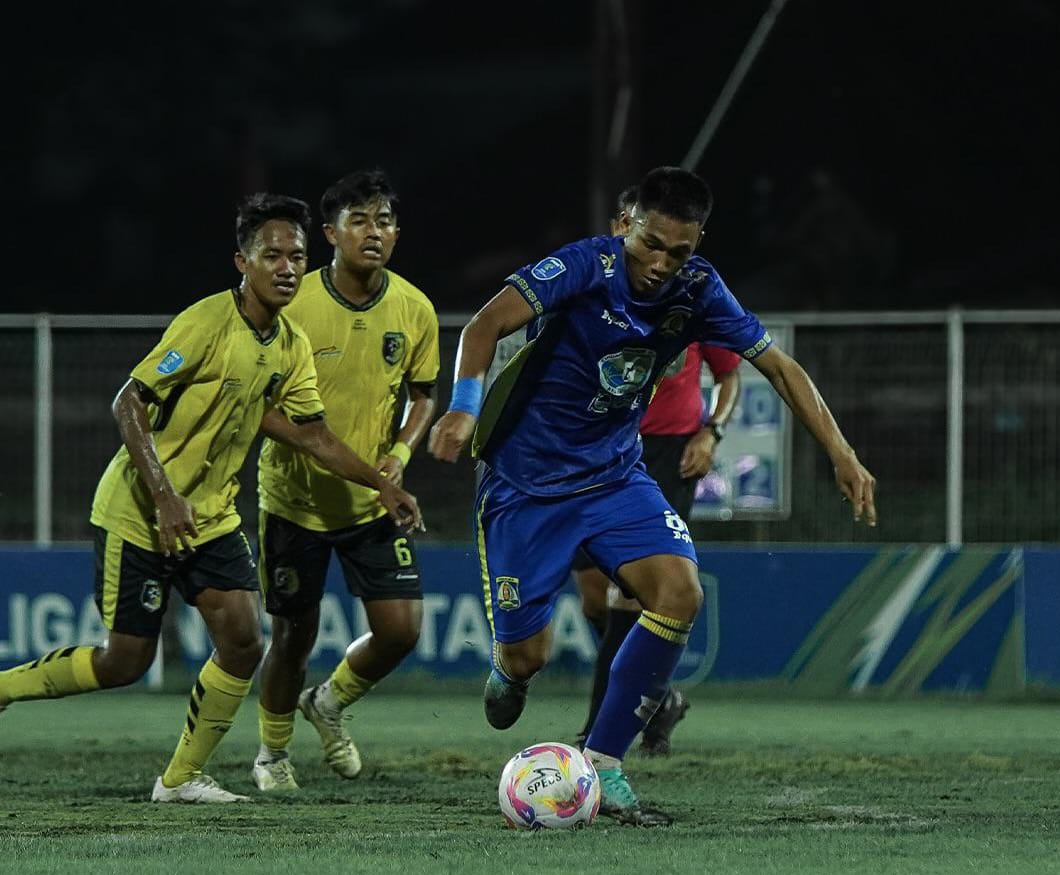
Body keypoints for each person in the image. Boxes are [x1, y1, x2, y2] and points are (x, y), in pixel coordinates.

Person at [429, 166, 875, 826]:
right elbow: (484, 326)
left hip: (615, 477)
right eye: (651, 244)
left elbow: (777, 366)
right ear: (625, 226)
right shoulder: (585, 265)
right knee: (530, 654)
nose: (662, 263)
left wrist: (841, 451)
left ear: (698, 245)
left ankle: (605, 761)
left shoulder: (699, 290)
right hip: (527, 486)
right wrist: (463, 409)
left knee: (680, 593)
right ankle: (512, 670)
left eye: (680, 251)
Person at [0, 193, 422, 804]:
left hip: (212, 517)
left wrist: (382, 482)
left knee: (245, 640)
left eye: (296, 257)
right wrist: (166, 495)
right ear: (242, 263)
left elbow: (312, 434)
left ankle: (179, 779)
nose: (286, 267)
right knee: (125, 663)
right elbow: (128, 401)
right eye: (271, 255)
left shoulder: (290, 344)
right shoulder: (204, 324)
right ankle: (6, 689)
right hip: (140, 512)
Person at [252, 169, 439, 793]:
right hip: (294, 502)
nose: (374, 232)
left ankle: (328, 702)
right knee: (292, 634)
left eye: (384, 221)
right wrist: (310, 442)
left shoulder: (413, 308)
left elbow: (423, 396)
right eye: (359, 221)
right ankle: (272, 754)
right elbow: (258, 402)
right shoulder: (291, 301)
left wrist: (402, 454)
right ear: (330, 234)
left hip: (371, 502)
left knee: (401, 629)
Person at [573, 187, 743, 757]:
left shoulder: (693, 297)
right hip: (601, 450)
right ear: (624, 225)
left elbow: (730, 376)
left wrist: (710, 431)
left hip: (669, 452)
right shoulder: (595, 287)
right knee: (595, 597)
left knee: (629, 594)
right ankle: (659, 696)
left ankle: (598, 736)